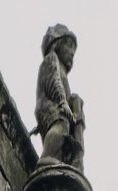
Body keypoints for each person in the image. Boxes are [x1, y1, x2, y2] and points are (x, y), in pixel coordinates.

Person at [36, 25, 85, 169]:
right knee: (61, 123)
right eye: (69, 46)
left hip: (59, 107)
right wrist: (62, 102)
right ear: (57, 44)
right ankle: (48, 157)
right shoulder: (51, 59)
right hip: (49, 105)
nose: (72, 53)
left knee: (66, 132)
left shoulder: (63, 70)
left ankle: (62, 158)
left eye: (73, 50)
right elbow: (53, 82)